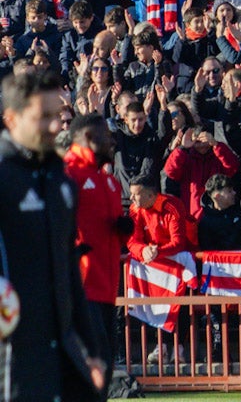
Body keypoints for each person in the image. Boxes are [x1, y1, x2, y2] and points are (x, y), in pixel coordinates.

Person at [0, 71, 107, 400]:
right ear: (12, 119)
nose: (54, 126)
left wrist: (91, 349)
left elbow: (68, 269)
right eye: (41, 117)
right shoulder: (3, 179)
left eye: (57, 116)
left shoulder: (61, 183)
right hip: (11, 359)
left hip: (62, 355)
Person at [62, 112, 130, 393]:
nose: (112, 141)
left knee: (104, 365)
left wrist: (126, 228)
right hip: (80, 286)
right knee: (87, 367)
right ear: (89, 137)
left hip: (106, 287)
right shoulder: (66, 174)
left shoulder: (110, 183)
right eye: (106, 135)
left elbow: (115, 233)